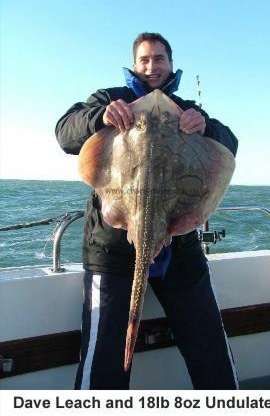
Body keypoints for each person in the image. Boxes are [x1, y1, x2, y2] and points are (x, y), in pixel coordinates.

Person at [55, 32, 239, 390]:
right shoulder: (111, 99)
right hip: (113, 250)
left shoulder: (186, 108)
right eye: (144, 59)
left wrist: (207, 126)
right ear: (134, 64)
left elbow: (229, 144)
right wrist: (99, 118)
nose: (152, 66)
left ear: (170, 63)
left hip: (179, 246)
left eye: (159, 59)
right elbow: (65, 133)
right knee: (105, 354)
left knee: (209, 343)